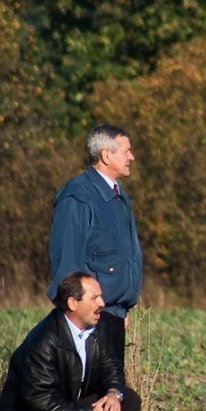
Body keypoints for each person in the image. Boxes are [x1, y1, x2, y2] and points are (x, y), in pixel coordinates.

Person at [0, 272, 141, 411]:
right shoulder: (43, 340)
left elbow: (112, 368)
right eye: (94, 298)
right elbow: (39, 400)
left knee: (128, 400)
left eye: (101, 297)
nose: (102, 304)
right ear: (73, 303)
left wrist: (114, 395)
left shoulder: (99, 328)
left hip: (66, 404)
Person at [48, 124, 143, 367]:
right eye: (126, 151)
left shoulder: (119, 197)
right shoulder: (77, 196)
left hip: (112, 316)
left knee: (111, 395)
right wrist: (78, 318)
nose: (131, 157)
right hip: (89, 320)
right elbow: (67, 264)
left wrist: (122, 309)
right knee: (89, 398)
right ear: (106, 155)